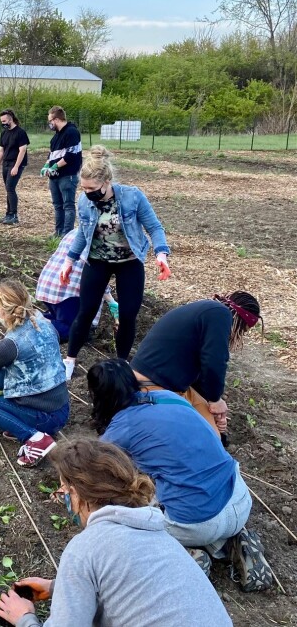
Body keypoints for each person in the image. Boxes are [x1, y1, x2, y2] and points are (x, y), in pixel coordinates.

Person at [0, 439, 233, 627]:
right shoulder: (161, 537)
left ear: (78, 493)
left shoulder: (85, 548)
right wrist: (56, 587)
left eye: (64, 489)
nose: (63, 496)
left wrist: (24, 618)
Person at [89, 359, 272, 591]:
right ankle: (228, 544)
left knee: (127, 526)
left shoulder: (120, 429)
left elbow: (95, 469)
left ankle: (187, 557)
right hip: (239, 498)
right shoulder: (169, 397)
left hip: (199, 521)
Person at [59, 145, 170, 379]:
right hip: (97, 261)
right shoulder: (84, 200)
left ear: (106, 181)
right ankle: (69, 361)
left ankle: (121, 363)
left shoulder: (132, 196)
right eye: (84, 188)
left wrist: (161, 253)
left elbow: (154, 227)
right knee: (86, 311)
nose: (87, 192)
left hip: (129, 261)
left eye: (92, 188)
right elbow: (82, 232)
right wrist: (69, 260)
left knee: (128, 314)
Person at [131, 291, 262, 436]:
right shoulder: (221, 314)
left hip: (161, 381)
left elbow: (203, 371)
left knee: (215, 433)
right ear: (239, 320)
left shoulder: (207, 311)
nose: (238, 336)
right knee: (207, 438)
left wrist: (214, 407)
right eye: (242, 331)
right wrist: (215, 399)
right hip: (152, 384)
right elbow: (214, 361)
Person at [0, 280, 68, 467]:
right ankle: (25, 421)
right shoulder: (43, 322)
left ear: (2, 311)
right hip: (62, 407)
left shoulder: (10, 343)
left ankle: (34, 437)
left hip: (47, 419)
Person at [36, 230, 118, 342]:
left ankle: (41, 319)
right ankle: (35, 325)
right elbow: (97, 276)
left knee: (62, 318)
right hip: (66, 291)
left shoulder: (77, 231)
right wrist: (111, 301)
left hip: (47, 284)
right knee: (78, 331)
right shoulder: (102, 239)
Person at [41, 106, 82, 237]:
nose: (50, 124)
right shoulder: (56, 137)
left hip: (67, 175)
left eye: (50, 121)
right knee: (58, 205)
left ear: (57, 119)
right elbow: (51, 155)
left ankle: (67, 234)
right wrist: (46, 166)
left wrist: (54, 167)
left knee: (68, 205)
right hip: (55, 177)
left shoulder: (71, 132)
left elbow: (70, 155)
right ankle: (58, 232)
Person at [0, 109, 30, 225]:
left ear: (10, 119)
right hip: (6, 163)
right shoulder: (4, 133)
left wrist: (16, 167)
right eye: (1, 121)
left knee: (10, 188)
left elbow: (22, 150)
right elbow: (1, 150)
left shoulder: (20, 132)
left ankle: (14, 215)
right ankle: (8, 214)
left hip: (16, 163)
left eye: (4, 121)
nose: (3, 123)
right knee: (8, 189)